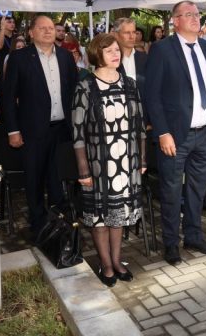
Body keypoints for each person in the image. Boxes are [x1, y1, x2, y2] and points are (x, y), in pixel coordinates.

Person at [144, 1, 206, 266]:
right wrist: (162, 132)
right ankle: (171, 243)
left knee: (197, 189)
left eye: (197, 14)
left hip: (205, 133)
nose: (195, 18)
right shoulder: (162, 49)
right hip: (175, 136)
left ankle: (194, 236)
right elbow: (152, 95)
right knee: (170, 191)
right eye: (188, 14)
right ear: (175, 21)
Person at [72, 34, 145, 287]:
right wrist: (83, 169)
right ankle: (105, 264)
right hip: (98, 162)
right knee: (100, 217)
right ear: (97, 54)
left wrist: (142, 159)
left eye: (117, 50)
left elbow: (140, 125)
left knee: (119, 216)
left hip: (126, 161)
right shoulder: (85, 85)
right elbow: (77, 131)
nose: (116, 54)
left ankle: (116, 260)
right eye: (109, 50)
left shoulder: (130, 84)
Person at [1, 15, 78, 236]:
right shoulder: (19, 58)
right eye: (42, 28)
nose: (48, 31)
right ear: (31, 33)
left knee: (58, 177)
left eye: (51, 28)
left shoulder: (65, 56)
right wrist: (13, 130)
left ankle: (58, 223)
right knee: (34, 178)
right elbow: (8, 97)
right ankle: (38, 224)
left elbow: (74, 92)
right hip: (32, 131)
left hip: (63, 129)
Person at [115, 18, 147, 97]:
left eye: (134, 32)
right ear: (116, 35)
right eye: (127, 33)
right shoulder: (109, 61)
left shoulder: (145, 58)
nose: (131, 36)